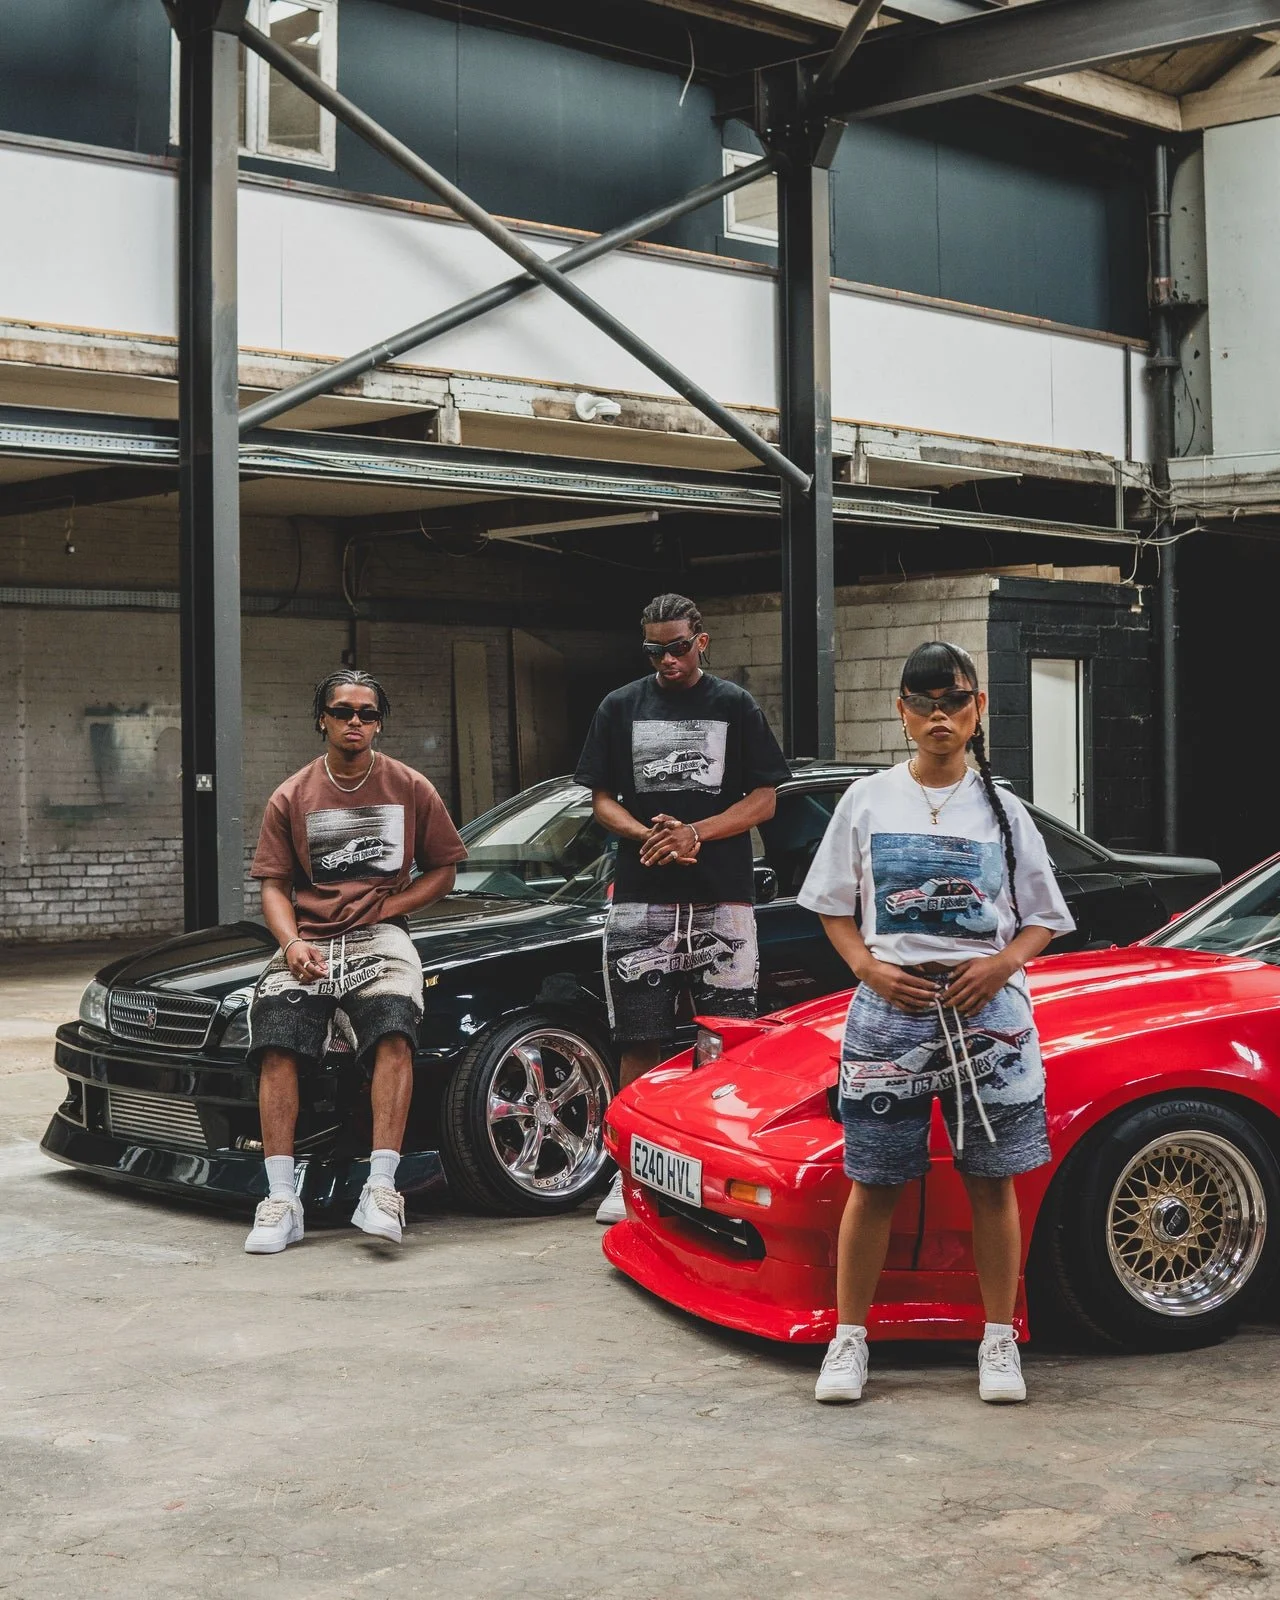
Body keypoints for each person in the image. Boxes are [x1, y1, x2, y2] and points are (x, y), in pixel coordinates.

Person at [798, 641, 1074, 1405]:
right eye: (923, 703)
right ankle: (848, 1341)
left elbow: (1044, 919)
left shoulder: (1004, 810)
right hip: (890, 1010)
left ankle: (998, 1341)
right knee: (874, 1180)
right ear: (902, 713)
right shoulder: (867, 800)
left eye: (954, 701)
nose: (939, 716)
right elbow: (830, 905)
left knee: (992, 1183)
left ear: (979, 708)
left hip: (986, 1013)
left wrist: (999, 966)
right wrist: (865, 966)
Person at [575, 593, 790, 1225]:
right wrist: (648, 836)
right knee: (637, 1041)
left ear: (703, 641)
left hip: (723, 901)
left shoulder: (734, 705)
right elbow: (600, 799)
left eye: (677, 646)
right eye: (653, 649)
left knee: (723, 1046)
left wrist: (697, 833)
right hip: (641, 901)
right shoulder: (620, 706)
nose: (666, 659)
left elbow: (766, 799)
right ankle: (626, 1178)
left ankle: (716, 1179)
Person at [243, 668, 467, 1255]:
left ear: (379, 722)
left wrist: (391, 905)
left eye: (367, 713)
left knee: (394, 1031)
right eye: (343, 712)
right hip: (309, 938)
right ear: (322, 718)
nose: (355, 723)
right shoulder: (292, 794)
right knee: (277, 1040)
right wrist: (291, 945)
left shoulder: (410, 786)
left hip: (382, 938)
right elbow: (272, 883)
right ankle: (281, 1198)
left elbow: (444, 867)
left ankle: (382, 1186)